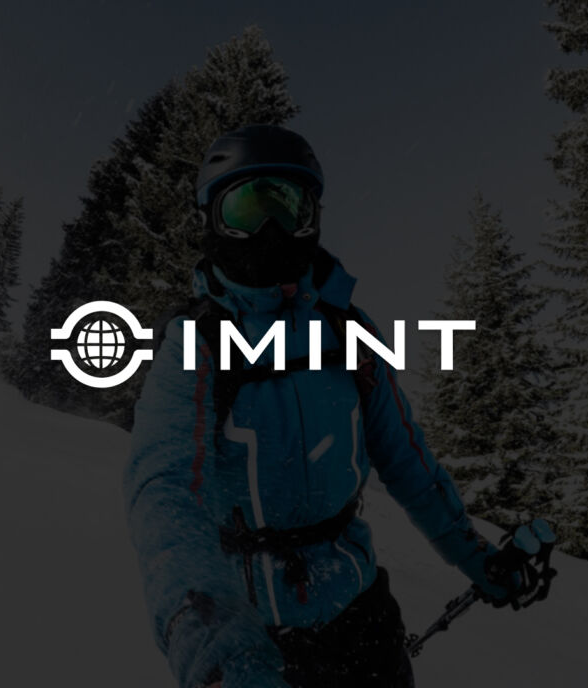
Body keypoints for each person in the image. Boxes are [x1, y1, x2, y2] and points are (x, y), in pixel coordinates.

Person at [124, 125, 537, 688]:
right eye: (246, 210)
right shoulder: (195, 345)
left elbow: (408, 464)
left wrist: (478, 559)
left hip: (363, 621)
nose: (270, 232)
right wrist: (216, 652)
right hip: (256, 637)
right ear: (212, 220)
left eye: (288, 210)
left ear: (313, 219)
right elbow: (163, 492)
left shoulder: (349, 332)